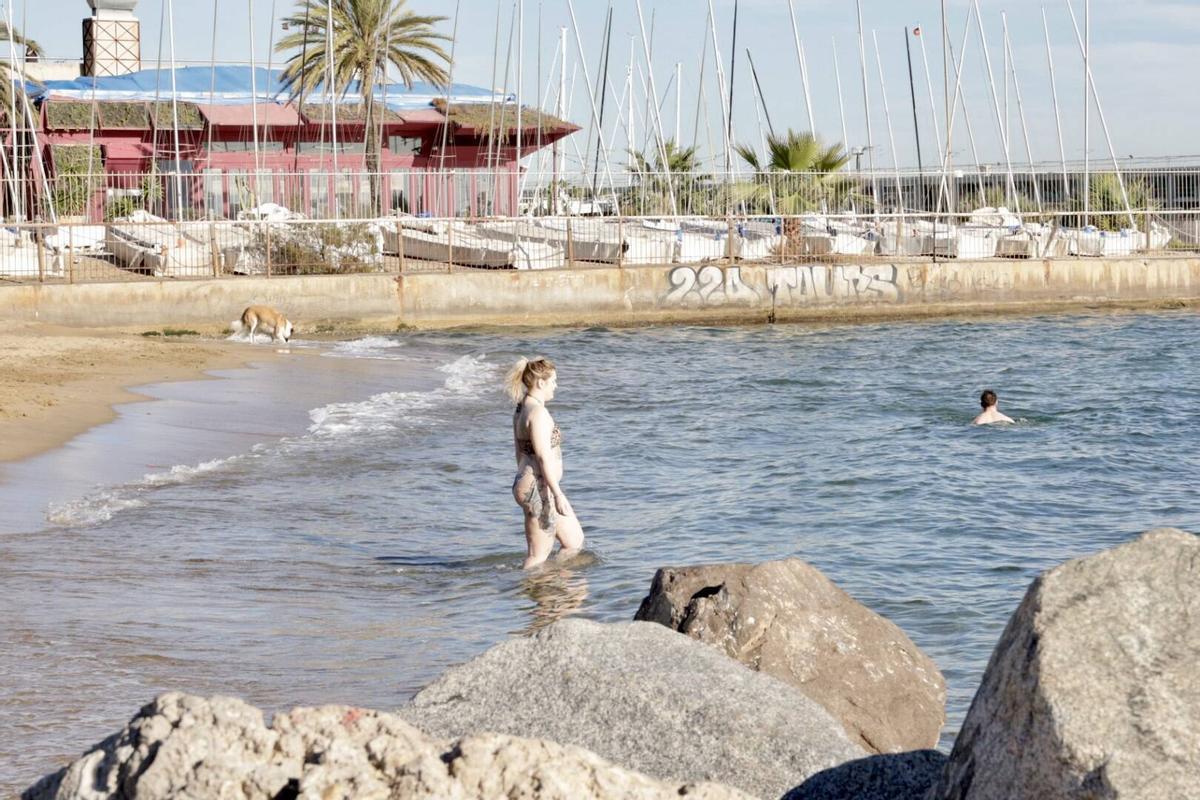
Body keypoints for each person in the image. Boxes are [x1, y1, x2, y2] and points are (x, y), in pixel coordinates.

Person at [506, 357, 585, 568]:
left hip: (531, 484)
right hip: (539, 489)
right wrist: (556, 494)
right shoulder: (537, 413)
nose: (556, 386)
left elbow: (519, 451)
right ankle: (524, 590)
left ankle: (552, 591)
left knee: (573, 541)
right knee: (537, 556)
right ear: (540, 382)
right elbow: (542, 456)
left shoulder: (521, 408)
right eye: (553, 381)